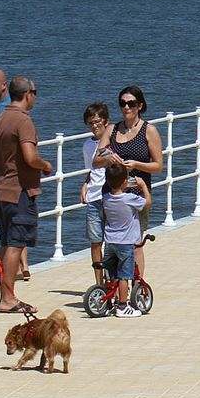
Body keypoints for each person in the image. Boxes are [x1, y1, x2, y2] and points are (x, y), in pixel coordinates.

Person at [0, 78, 53, 313]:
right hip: (19, 191)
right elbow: (29, 156)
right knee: (15, 244)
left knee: (6, 243)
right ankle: (8, 298)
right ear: (27, 94)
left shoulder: (1, 118)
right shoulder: (23, 121)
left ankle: (5, 295)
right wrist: (44, 164)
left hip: (0, 190)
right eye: (35, 93)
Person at [110, 85, 165, 275]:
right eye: (122, 103)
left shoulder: (148, 130)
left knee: (135, 243)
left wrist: (136, 165)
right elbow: (96, 159)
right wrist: (108, 157)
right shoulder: (113, 129)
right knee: (113, 243)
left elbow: (158, 166)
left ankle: (137, 286)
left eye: (131, 104)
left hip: (137, 195)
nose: (126, 107)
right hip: (114, 195)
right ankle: (116, 286)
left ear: (139, 105)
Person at [99, 163, 151, 317]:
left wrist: (122, 186)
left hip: (110, 242)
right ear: (124, 182)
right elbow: (147, 202)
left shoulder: (106, 198)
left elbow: (116, 194)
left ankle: (110, 302)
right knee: (124, 275)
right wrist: (143, 187)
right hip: (125, 242)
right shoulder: (130, 198)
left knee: (111, 274)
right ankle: (122, 305)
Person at [80, 103, 113, 286]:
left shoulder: (113, 142)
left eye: (97, 122)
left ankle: (113, 280)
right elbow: (91, 170)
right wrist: (85, 184)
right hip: (93, 197)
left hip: (109, 196)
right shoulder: (87, 145)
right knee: (95, 241)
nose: (94, 126)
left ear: (105, 122)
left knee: (111, 242)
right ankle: (99, 283)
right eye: (90, 123)